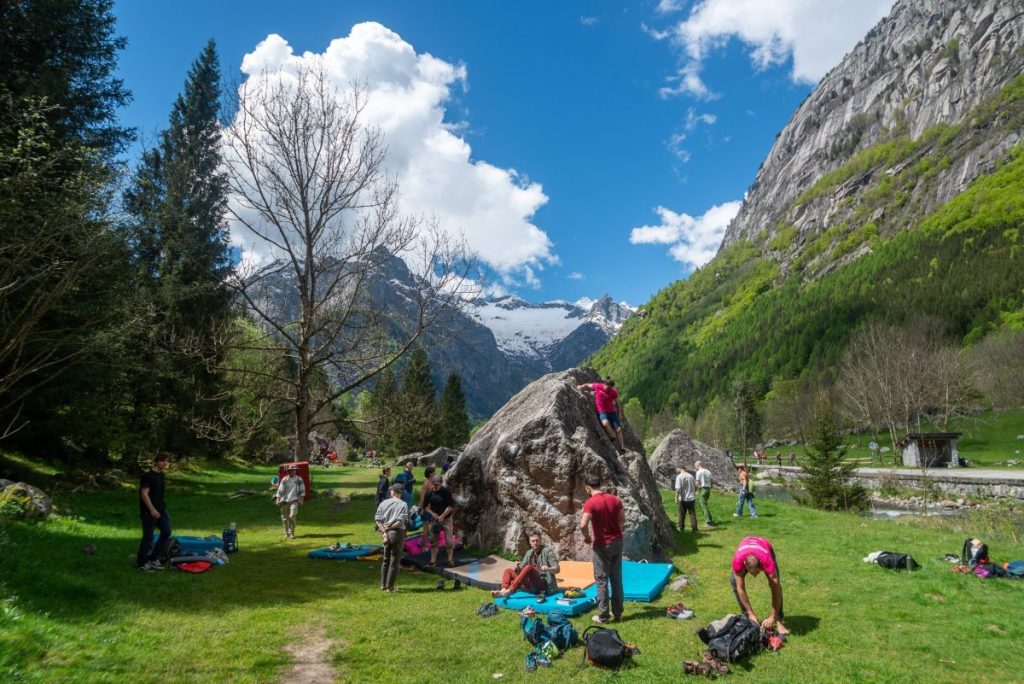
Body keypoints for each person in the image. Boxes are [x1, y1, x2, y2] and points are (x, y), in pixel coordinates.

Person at [580, 475, 624, 624]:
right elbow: (622, 519)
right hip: (618, 542)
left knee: (601, 580)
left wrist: (586, 536)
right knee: (616, 579)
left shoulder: (590, 503)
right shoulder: (615, 499)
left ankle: (603, 616)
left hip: (602, 545)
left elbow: (583, 524)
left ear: (587, 487)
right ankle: (618, 614)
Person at [730, 536, 788, 635]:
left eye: (757, 572)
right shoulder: (738, 561)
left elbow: (776, 590)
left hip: (765, 545)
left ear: (761, 565)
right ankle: (748, 616)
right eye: (752, 573)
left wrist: (772, 617)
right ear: (745, 566)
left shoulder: (767, 561)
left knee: (776, 584)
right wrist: (751, 613)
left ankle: (778, 620)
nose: (755, 576)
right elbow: (741, 588)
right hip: (746, 542)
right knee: (734, 582)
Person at [491, 530, 561, 598]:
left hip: (543, 586)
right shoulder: (529, 553)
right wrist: (518, 567)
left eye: (537, 540)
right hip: (530, 585)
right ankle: (503, 590)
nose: (535, 543)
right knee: (508, 571)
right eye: (533, 541)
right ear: (530, 542)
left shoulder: (548, 552)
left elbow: (557, 569)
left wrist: (548, 569)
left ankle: (509, 591)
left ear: (540, 540)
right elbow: (521, 567)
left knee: (528, 568)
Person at [137, 454, 172, 571]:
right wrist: (152, 510)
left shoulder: (162, 475)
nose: (165, 463)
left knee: (166, 531)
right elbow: (144, 494)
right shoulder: (147, 476)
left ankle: (153, 557)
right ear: (156, 462)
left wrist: (160, 509)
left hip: (161, 509)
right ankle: (142, 563)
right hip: (149, 511)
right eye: (162, 461)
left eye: (166, 462)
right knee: (148, 537)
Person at [375, 483, 410, 592]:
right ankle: (390, 587)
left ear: (392, 492)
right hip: (396, 533)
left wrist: (384, 531)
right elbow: (401, 521)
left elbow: (378, 519)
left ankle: (383, 585)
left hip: (385, 534)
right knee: (394, 561)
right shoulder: (403, 504)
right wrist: (390, 527)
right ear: (400, 493)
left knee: (385, 559)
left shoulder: (383, 503)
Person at [577, 379, 625, 451]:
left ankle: (622, 447)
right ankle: (612, 435)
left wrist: (620, 413)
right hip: (602, 411)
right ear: (605, 384)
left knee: (618, 429)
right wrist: (581, 386)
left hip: (612, 411)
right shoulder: (598, 386)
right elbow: (587, 385)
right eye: (607, 387)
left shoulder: (613, 392)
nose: (607, 389)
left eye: (610, 388)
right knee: (605, 423)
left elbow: (618, 402)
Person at [426, 475, 456, 567]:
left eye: (438, 484)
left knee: (448, 541)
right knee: (434, 541)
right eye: (434, 484)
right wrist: (433, 514)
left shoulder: (446, 492)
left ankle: (450, 560)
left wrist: (442, 516)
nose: (436, 486)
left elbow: (450, 506)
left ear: (441, 483)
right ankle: (433, 561)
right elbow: (425, 506)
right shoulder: (430, 492)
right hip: (435, 519)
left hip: (446, 518)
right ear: (432, 483)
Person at [275, 464, 306, 538]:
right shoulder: (285, 479)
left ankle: (292, 532)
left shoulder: (299, 479)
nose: (293, 471)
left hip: (295, 500)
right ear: (289, 471)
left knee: (292, 516)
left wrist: (301, 499)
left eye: (294, 470)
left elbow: (302, 490)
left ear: (296, 471)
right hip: (285, 500)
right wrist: (278, 498)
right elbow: (280, 490)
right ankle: (286, 533)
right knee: (285, 518)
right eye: (292, 470)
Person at [674, 466, 698, 532]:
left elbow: (678, 489)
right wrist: (693, 492)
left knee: (682, 513)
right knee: (692, 514)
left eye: (677, 469)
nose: (676, 471)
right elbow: (696, 486)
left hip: (683, 498)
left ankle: (681, 527)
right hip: (691, 498)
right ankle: (694, 528)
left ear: (680, 469)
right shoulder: (691, 476)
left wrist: (676, 498)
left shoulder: (679, 477)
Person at [418, 466, 437, 544]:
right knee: (426, 526)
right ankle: (422, 542)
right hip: (425, 508)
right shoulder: (426, 483)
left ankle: (430, 539)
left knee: (428, 524)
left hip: (430, 508)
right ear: (430, 474)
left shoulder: (433, 483)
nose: (436, 473)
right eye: (434, 472)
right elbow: (422, 496)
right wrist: (422, 508)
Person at [694, 460, 715, 526]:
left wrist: (695, 490)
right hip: (708, 488)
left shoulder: (699, 472)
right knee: (705, 504)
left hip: (703, 488)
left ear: (698, 465)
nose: (695, 467)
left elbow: (697, 482)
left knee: (703, 505)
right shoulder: (707, 471)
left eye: (695, 466)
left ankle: (708, 521)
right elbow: (712, 480)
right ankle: (711, 519)